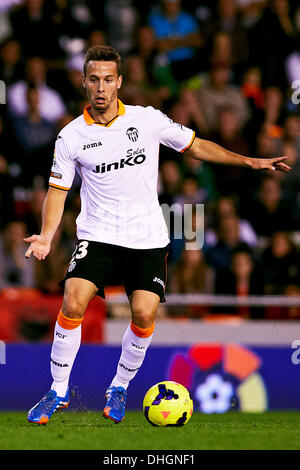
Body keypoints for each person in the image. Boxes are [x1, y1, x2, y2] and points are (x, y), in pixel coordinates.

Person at [24, 45, 290, 426]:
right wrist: (48, 236)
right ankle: (58, 390)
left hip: (146, 236)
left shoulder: (147, 120)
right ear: (84, 82)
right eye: (94, 79)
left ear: (120, 82)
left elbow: (195, 145)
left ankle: (118, 388)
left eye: (108, 79)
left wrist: (249, 160)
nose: (101, 87)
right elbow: (57, 191)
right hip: (98, 234)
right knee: (73, 300)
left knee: (145, 313)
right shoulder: (70, 136)